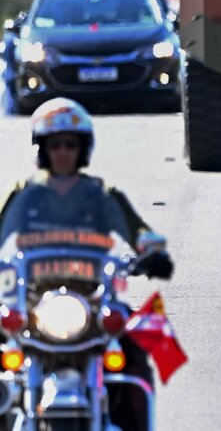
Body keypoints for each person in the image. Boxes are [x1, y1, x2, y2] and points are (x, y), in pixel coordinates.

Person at [0, 98, 174, 431]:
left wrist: (151, 251)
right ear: (43, 149)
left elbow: (138, 232)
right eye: (55, 145)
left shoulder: (102, 194)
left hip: (94, 300)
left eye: (70, 144)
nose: (63, 152)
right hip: (33, 300)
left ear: (83, 149)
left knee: (134, 349)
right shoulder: (23, 193)